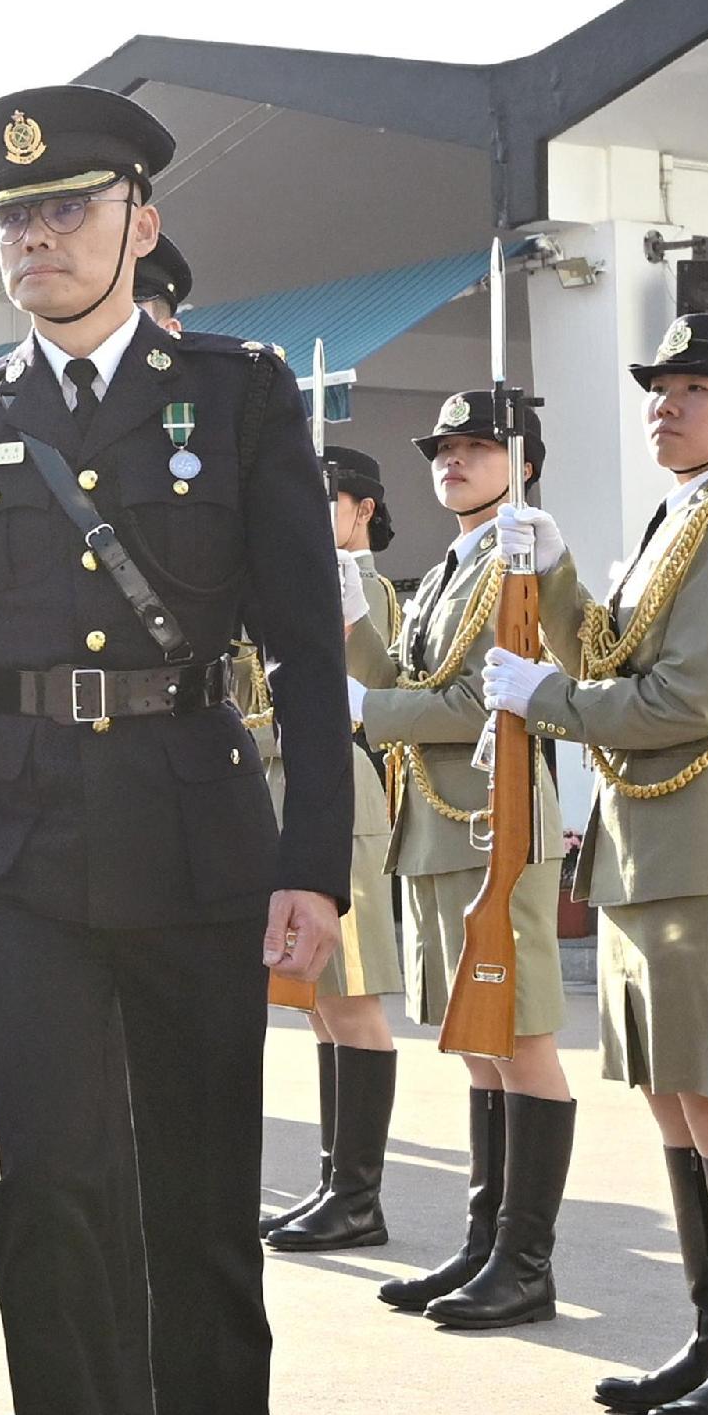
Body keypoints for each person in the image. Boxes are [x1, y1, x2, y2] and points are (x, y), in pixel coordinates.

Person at [0, 86, 347, 1415]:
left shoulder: (239, 393)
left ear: (140, 221)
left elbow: (307, 649)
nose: (35, 237)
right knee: (52, 1199)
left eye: (67, 209)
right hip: (23, 861)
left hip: (198, 834)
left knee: (202, 1190)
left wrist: (318, 859)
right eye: (12, 218)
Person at [492, 318, 708, 1415]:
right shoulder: (677, 518)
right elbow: (611, 658)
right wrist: (561, 576)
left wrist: (543, 701)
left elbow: (685, 702)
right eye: (659, 388)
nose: (666, 406)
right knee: (679, 1096)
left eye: (697, 389)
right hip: (652, 836)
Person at [334, 399, 582, 1337]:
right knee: (479, 1037)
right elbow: (396, 675)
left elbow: (485, 699)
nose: (453, 461)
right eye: (443, 449)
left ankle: (526, 1259)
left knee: (519, 1036)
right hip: (441, 822)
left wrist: (372, 706)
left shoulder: (518, 560)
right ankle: (486, 1242)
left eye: (477, 448)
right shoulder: (451, 565)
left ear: (524, 463)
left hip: (494, 817)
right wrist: (354, 612)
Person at [259, 440, 414, 1260]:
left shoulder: (373, 587)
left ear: (364, 511)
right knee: (317, 1000)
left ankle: (359, 1194)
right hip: (285, 788)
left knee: (350, 999)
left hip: (339, 796)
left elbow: (373, 684)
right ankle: (333, 1181)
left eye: (331, 498)